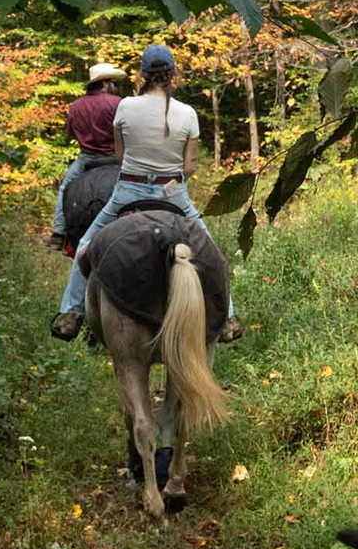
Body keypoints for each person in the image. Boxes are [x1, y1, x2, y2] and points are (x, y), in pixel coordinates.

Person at [50, 44, 243, 344]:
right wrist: (169, 180)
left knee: (86, 244)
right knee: (211, 251)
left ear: (142, 74)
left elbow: (120, 155)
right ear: (173, 74)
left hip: (128, 191)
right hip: (173, 194)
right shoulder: (187, 113)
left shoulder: (126, 106)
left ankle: (71, 314)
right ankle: (228, 317)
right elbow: (189, 166)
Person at [49, 62, 129, 249]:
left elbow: (71, 133)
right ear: (105, 84)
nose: (115, 86)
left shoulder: (76, 105)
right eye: (112, 83)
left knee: (66, 187)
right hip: (116, 158)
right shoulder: (118, 103)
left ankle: (58, 234)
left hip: (87, 158)